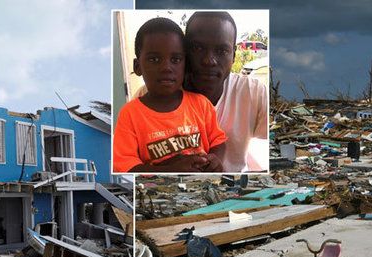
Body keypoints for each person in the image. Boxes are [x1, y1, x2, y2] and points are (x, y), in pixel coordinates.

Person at [137, 12, 269, 172]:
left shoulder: (254, 93)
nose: (209, 60)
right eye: (198, 48)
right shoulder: (149, 98)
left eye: (221, 51)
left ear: (233, 55)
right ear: (184, 51)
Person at [113, 17, 227, 173]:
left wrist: (215, 158)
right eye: (154, 59)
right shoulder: (130, 114)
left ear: (185, 64)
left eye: (176, 59)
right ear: (137, 66)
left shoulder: (201, 104)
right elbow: (127, 167)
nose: (166, 67)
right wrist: (170, 169)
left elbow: (218, 141)